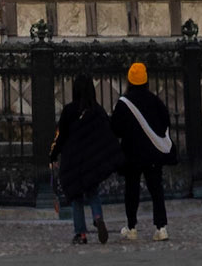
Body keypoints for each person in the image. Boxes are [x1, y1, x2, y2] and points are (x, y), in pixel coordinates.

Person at [50, 74, 116, 246]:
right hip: (92, 160)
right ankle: (97, 216)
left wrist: (53, 154)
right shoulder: (97, 110)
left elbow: (61, 136)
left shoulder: (69, 110)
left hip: (73, 161)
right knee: (93, 192)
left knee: (76, 197)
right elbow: (107, 133)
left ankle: (81, 234)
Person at [111, 62, 173, 242]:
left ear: (129, 80)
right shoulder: (155, 100)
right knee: (156, 189)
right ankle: (161, 227)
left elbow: (116, 129)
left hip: (132, 153)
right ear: (146, 81)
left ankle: (132, 227)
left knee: (132, 190)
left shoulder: (124, 103)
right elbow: (165, 121)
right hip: (153, 152)